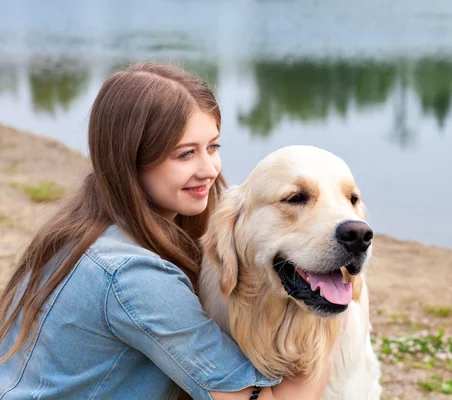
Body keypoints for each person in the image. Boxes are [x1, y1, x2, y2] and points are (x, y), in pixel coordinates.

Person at [0, 62, 332, 400]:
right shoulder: (133, 274)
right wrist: (326, 309)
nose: (209, 170)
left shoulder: (79, 232)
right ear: (132, 159)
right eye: (186, 154)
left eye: (213, 147)